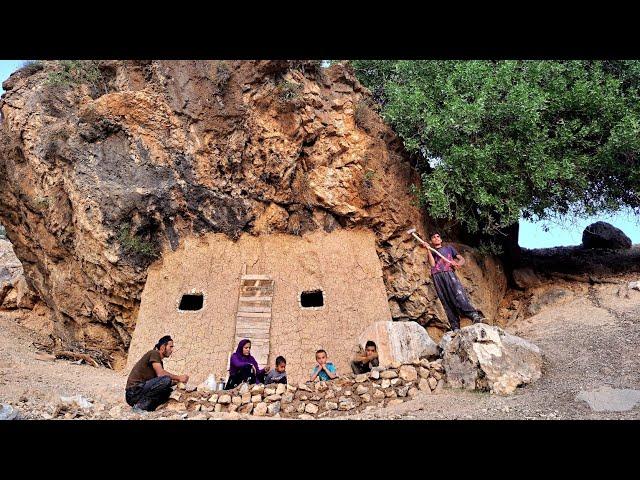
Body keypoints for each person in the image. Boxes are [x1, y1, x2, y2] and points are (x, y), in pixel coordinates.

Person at [421, 232, 485, 331]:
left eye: (438, 236)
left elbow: (461, 259)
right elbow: (433, 265)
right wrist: (428, 250)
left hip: (449, 273)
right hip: (437, 276)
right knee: (445, 300)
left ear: (441, 239)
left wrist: (458, 263)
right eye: (434, 237)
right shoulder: (432, 251)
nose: (436, 238)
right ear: (431, 241)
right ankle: (455, 326)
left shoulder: (449, 248)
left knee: (459, 294)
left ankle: (473, 315)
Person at [125, 335, 189, 412]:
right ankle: (139, 407)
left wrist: (177, 382)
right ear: (162, 347)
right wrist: (179, 377)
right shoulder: (154, 353)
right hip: (133, 392)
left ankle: (146, 406)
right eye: (170, 347)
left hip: (138, 394)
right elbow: (161, 374)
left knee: (167, 390)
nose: (172, 350)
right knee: (166, 380)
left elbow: (157, 383)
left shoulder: (158, 362)